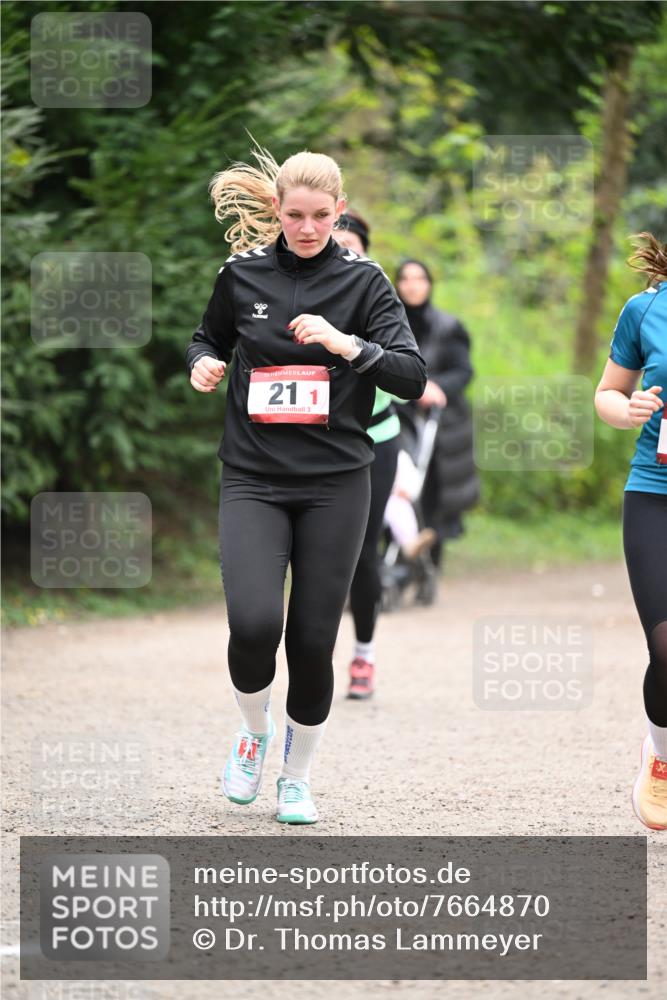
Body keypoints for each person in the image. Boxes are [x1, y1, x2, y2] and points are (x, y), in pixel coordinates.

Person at [186, 145, 426, 823]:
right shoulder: (241, 274)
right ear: (275, 211)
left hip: (335, 483)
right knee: (255, 622)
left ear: (339, 211)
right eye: (295, 215)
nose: (308, 227)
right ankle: (253, 733)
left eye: (322, 215)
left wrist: (345, 344)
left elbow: (411, 376)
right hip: (254, 478)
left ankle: (296, 776)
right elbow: (207, 339)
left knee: (313, 641)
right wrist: (203, 364)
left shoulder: (365, 284)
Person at [594, 232, 667, 831]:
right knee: (666, 645)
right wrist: (630, 409)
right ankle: (662, 758)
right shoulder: (644, 309)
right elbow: (608, 394)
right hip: (655, 494)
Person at [332, 211, 402, 699]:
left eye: (352, 245)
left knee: (363, 552)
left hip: (376, 436)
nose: (344, 252)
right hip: (321, 440)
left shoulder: (377, 296)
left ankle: (363, 654)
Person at [395, 260, 479, 569]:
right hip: (400, 417)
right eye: (405, 279)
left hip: (441, 423)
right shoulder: (387, 324)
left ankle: (431, 563)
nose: (412, 285)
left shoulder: (449, 327)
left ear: (429, 284)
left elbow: (464, 371)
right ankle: (396, 557)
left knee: (434, 493)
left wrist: (434, 387)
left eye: (419, 278)